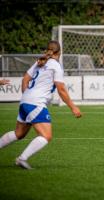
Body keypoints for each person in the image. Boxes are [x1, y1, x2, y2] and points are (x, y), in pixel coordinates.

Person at [0, 40, 82, 169]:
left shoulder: (39, 62)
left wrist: (26, 96)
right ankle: (22, 159)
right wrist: (73, 107)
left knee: (19, 134)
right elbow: (61, 89)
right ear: (59, 52)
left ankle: (20, 157)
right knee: (46, 136)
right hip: (36, 103)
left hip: (25, 100)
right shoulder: (55, 65)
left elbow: (25, 79)